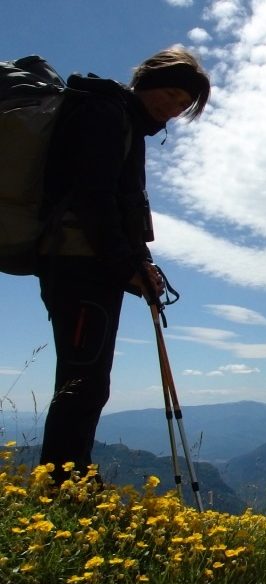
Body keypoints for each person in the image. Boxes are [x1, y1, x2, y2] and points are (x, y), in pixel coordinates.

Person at [37, 47, 210, 481]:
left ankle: (66, 480)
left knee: (88, 379)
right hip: (80, 269)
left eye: (182, 105)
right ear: (146, 79)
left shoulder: (123, 121)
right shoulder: (107, 116)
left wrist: (141, 263)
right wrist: (126, 266)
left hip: (88, 267)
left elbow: (120, 208)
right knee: (83, 382)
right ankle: (64, 485)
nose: (171, 109)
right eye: (169, 94)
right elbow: (94, 200)